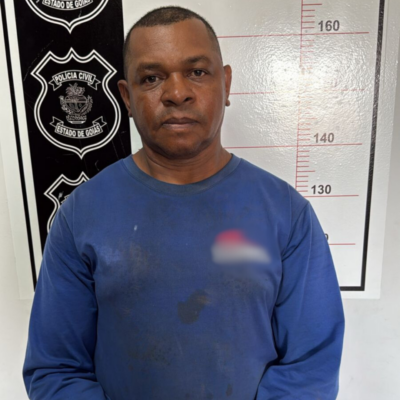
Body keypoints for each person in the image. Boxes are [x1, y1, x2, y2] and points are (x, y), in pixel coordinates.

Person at [23, 6, 345, 400]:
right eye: (152, 78)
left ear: (226, 83)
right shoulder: (80, 215)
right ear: (126, 96)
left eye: (197, 72)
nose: (177, 93)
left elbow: (310, 369)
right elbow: (56, 371)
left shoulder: (286, 213)